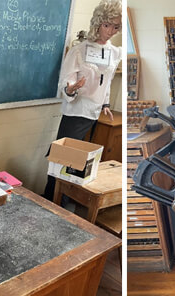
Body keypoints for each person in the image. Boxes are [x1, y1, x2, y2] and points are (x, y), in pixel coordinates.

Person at [43, 0, 122, 200]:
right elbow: (66, 80)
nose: (111, 31)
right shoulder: (80, 50)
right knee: (62, 159)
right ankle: (51, 198)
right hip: (77, 111)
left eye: (116, 26)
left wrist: (105, 103)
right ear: (97, 23)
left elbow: (108, 80)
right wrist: (71, 88)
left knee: (84, 164)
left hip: (97, 113)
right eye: (107, 25)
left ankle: (69, 200)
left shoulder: (115, 52)